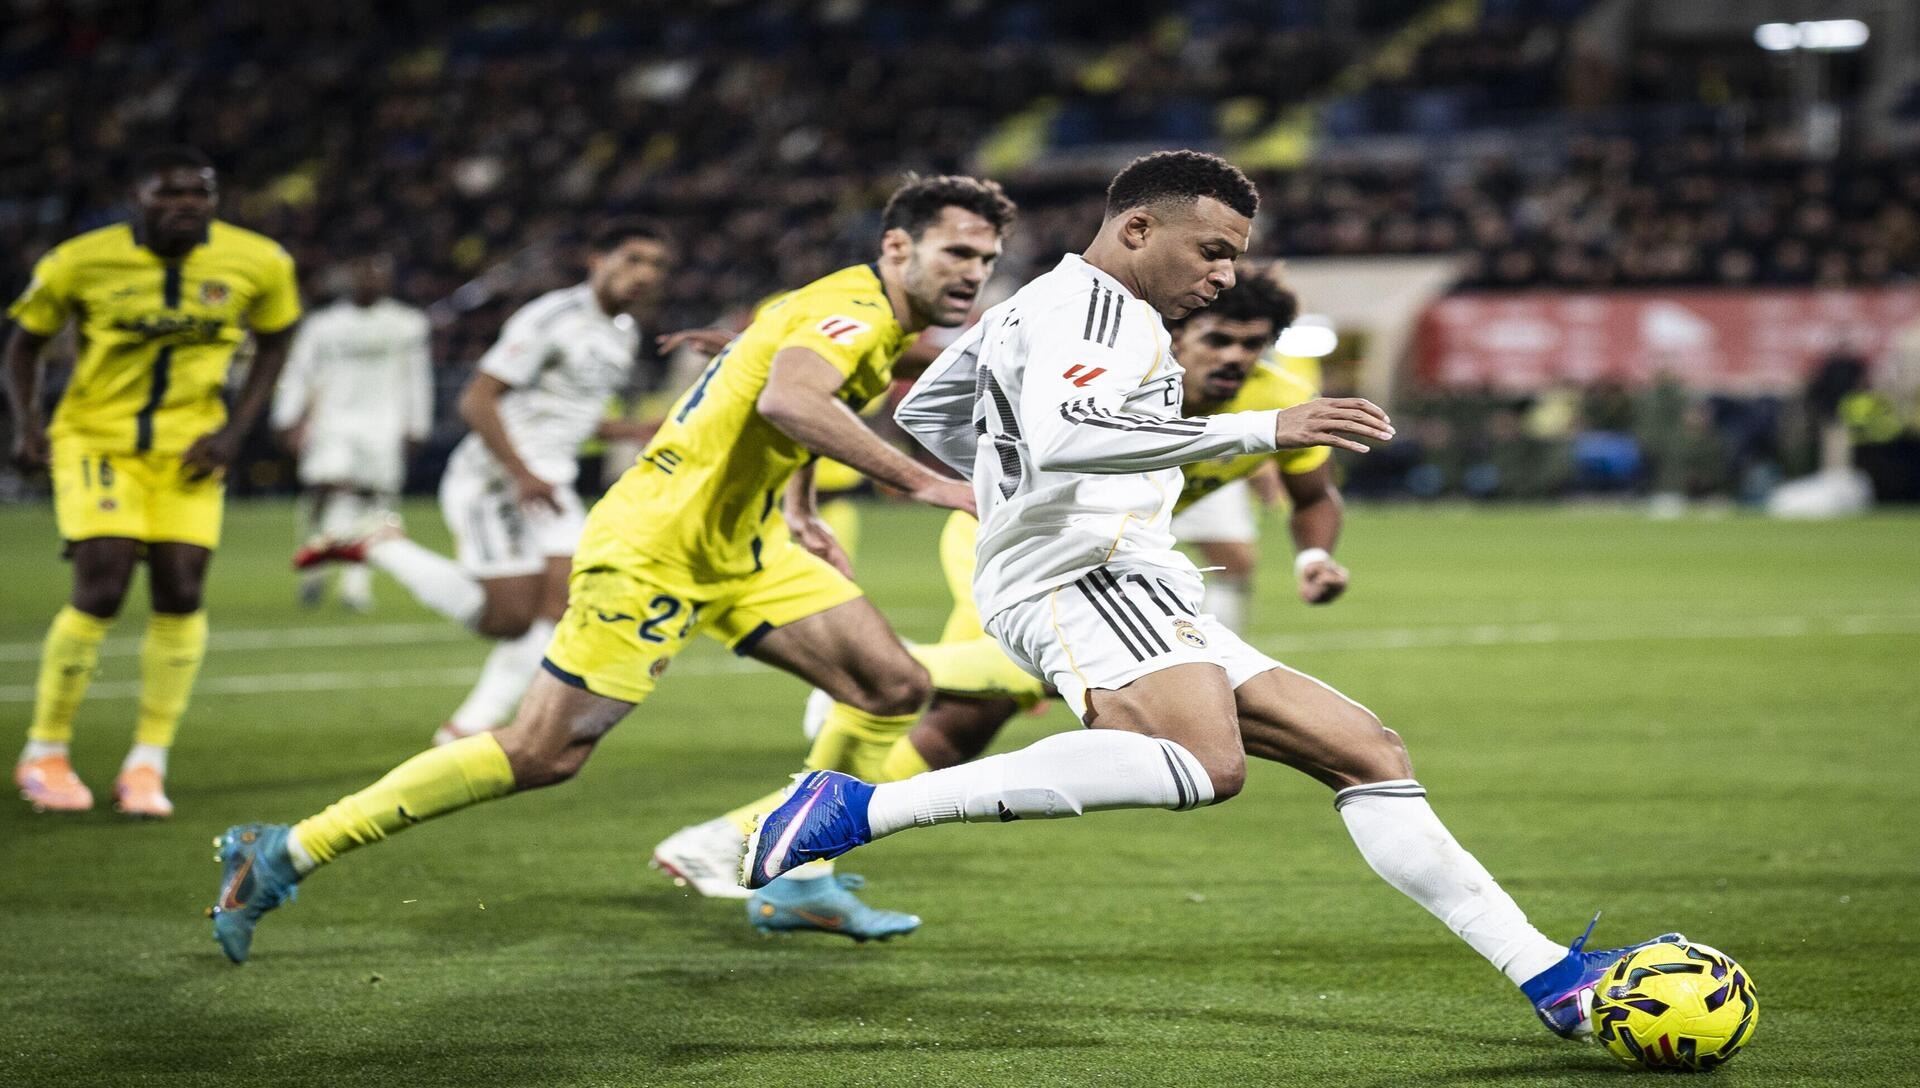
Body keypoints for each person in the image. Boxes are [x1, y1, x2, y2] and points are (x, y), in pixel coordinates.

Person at [742, 150, 1679, 1041]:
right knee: (1205, 765)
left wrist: (1009, 484)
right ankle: (859, 809)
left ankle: (1548, 977)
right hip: (1087, 570)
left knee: (1365, 751)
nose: (1225, 276)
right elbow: (1068, 434)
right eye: (1213, 251)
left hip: (1111, 568)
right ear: (1138, 228)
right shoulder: (1102, 314)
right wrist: (1263, 428)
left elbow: (929, 410)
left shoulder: (1040, 302)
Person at [207, 175, 1017, 963]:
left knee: (891, 687)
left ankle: (800, 877)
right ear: (897, 247)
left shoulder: (857, 306)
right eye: (957, 253)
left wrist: (799, 505)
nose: (973, 273)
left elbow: (780, 388)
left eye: (986, 259)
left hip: (746, 544)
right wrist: (928, 483)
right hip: (654, 548)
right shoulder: (855, 311)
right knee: (543, 753)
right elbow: (790, 400)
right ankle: (286, 849)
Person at [652, 272, 1353, 924]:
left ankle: (766, 854)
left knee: (962, 732)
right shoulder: (1119, 360)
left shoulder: (1274, 395)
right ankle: (880, 675)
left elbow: (1313, 495)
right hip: (1016, 544)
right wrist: (767, 346)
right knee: (1018, 678)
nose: (1235, 358)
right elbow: (944, 360)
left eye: (1251, 345)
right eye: (1218, 338)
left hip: (1100, 560)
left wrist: (1315, 557)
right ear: (1178, 336)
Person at [5, 146, 302, 818]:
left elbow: (277, 339)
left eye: (199, 194)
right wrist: (27, 426)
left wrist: (234, 432)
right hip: (97, 440)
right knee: (103, 582)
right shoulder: (78, 261)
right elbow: (22, 343)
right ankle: (45, 750)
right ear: (136, 198)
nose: (185, 206)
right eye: (169, 194)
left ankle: (147, 761)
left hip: (191, 447)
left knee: (182, 591)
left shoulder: (260, 261)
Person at [292, 222, 670, 747]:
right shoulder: (550, 318)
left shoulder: (622, 332)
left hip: (549, 480)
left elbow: (563, 417)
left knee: (570, 603)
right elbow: (477, 400)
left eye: (656, 265)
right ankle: (380, 546)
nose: (645, 274)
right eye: (633, 259)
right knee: (508, 619)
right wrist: (521, 473)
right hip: (495, 479)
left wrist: (629, 430)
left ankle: (468, 726)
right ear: (597, 259)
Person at [270, 255, 432, 612]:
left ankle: (355, 585)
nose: (370, 281)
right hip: (332, 422)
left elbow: (417, 377)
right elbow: (300, 371)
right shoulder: (323, 325)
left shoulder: (407, 323)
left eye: (377, 275)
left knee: (375, 502)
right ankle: (314, 568)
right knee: (324, 494)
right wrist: (287, 417)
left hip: (384, 425)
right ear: (348, 279)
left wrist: (417, 424)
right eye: (363, 274)